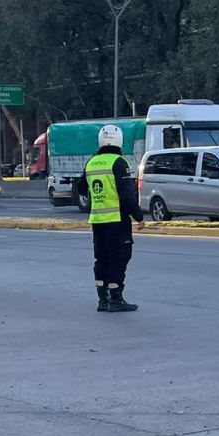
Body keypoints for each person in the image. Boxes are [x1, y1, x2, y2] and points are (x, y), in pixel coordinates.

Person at [74, 125, 145, 312]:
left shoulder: (91, 162)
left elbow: (81, 188)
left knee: (101, 258)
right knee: (119, 258)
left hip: (97, 221)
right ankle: (116, 299)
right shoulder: (119, 162)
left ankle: (102, 300)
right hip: (117, 221)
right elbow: (127, 194)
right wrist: (138, 216)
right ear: (119, 140)